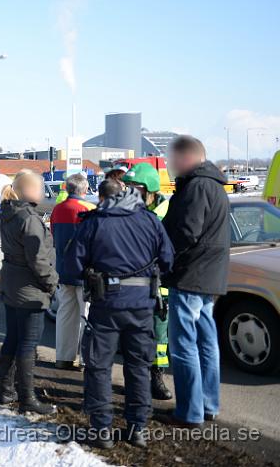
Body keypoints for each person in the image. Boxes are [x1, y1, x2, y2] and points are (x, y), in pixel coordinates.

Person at [65, 179, 174, 448]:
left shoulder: (93, 222)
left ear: (102, 198)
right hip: (142, 306)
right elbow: (169, 260)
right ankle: (138, 429)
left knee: (99, 366)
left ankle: (102, 431)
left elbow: (71, 266)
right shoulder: (149, 221)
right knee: (138, 367)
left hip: (106, 305)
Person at [161, 136, 229, 427]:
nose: (169, 165)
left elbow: (185, 232)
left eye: (172, 159)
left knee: (184, 345)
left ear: (186, 158)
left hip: (190, 275)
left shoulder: (197, 186)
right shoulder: (214, 185)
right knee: (206, 342)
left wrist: (164, 254)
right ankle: (208, 406)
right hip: (208, 277)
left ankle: (189, 412)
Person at [0, 170, 58, 414]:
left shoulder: (9, 212)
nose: (44, 191)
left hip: (12, 285)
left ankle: (6, 390)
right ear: (28, 190)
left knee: (13, 338)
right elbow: (38, 261)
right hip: (29, 290)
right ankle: (27, 398)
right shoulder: (29, 218)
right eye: (40, 187)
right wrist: (52, 283)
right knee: (27, 344)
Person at [123, 162, 173, 401]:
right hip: (131, 284)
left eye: (136, 188)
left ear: (150, 189)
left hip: (158, 284)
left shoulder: (167, 211)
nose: (131, 192)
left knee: (159, 335)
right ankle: (135, 380)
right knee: (132, 335)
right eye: (128, 186)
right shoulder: (124, 210)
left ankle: (157, 376)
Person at [50, 173, 96, 371]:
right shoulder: (89, 209)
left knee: (65, 314)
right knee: (86, 315)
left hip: (63, 270)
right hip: (84, 272)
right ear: (85, 190)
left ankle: (63, 357)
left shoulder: (57, 210)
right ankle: (86, 359)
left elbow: (53, 235)